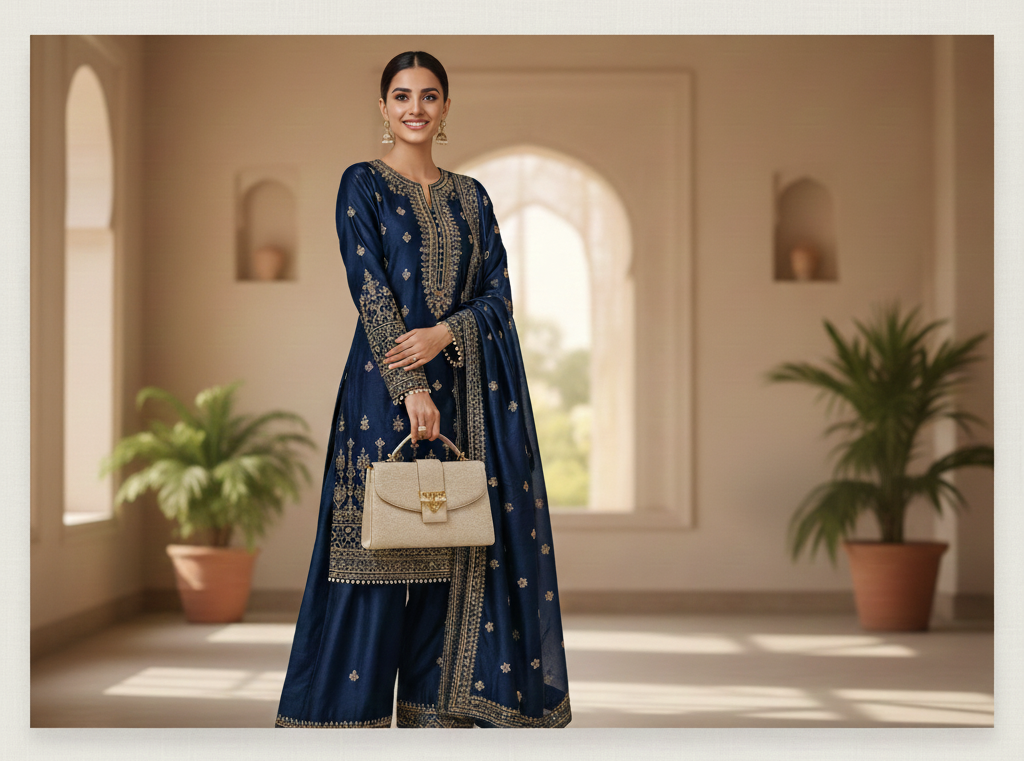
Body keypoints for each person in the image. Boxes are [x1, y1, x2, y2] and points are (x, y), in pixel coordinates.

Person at [274, 50, 571, 729]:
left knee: (454, 556)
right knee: (376, 561)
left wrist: (444, 334)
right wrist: (410, 385)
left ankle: (437, 726)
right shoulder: (362, 184)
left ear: (445, 107)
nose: (416, 108)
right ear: (383, 107)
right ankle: (343, 728)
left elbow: (498, 295)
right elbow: (371, 290)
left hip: (466, 397)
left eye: (429, 95)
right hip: (381, 393)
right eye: (403, 95)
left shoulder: (472, 197)